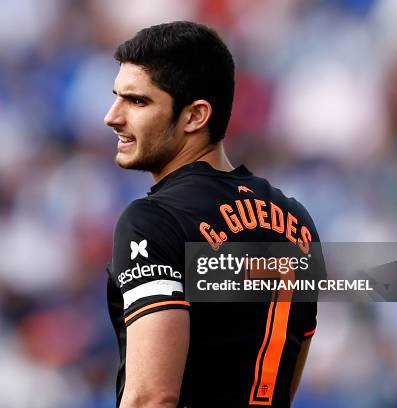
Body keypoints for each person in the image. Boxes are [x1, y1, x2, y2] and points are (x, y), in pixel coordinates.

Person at [104, 21, 322, 408]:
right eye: (117, 97)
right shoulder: (298, 223)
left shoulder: (153, 221)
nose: (112, 116)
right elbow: (284, 387)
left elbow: (152, 397)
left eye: (137, 101)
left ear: (195, 116)